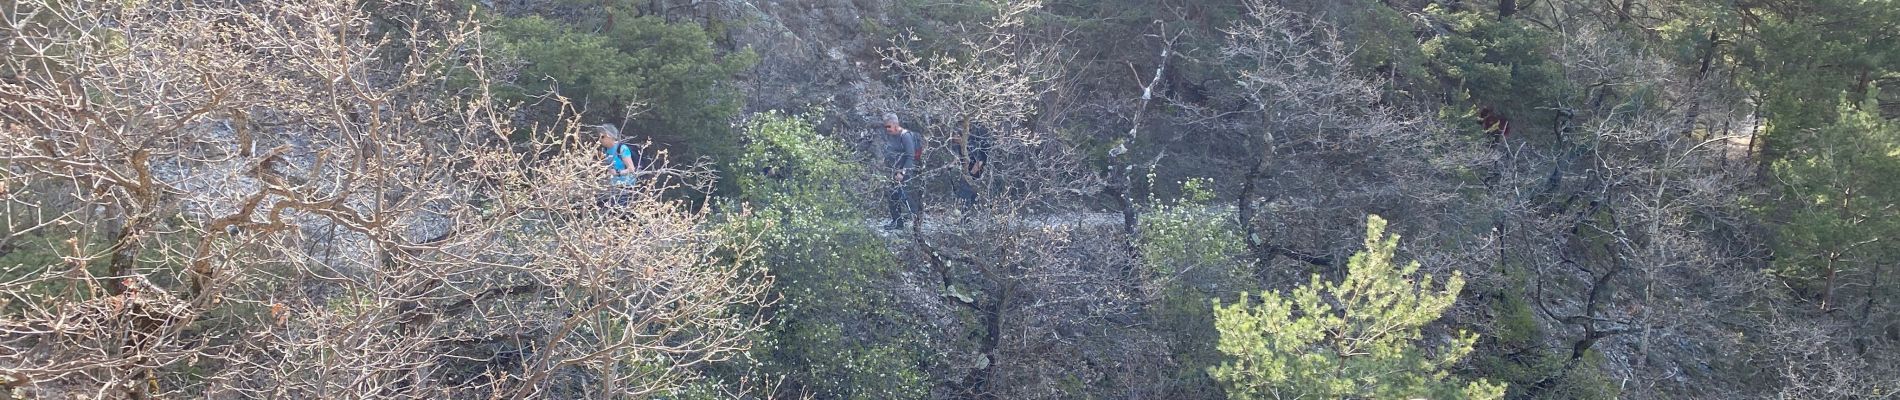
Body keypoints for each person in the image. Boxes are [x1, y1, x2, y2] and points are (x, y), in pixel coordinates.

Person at [881, 113, 922, 230]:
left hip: (905, 172)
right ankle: (897, 222)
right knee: (892, 196)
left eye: (888, 126)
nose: (887, 129)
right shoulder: (892, 136)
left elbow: (910, 156)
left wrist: (902, 173)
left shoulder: (906, 136)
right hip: (894, 171)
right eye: (885, 127)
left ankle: (917, 222)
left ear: (895, 124)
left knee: (906, 197)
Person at [597, 124, 642, 208]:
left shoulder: (622, 148)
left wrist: (617, 173)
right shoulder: (604, 150)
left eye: (602, 137)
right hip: (613, 188)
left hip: (626, 187)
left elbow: (631, 169)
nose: (600, 140)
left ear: (610, 136)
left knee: (622, 212)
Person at [952, 123, 992, 210]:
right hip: (967, 174)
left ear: (959, 136)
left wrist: (971, 174)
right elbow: (958, 158)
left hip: (976, 175)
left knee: (969, 196)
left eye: (954, 135)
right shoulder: (960, 146)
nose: (953, 138)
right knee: (965, 197)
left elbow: (980, 160)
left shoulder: (970, 144)